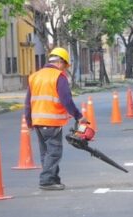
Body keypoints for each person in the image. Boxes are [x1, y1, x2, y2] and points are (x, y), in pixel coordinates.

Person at [25, 47, 87, 191]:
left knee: (46, 152)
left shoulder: (35, 76)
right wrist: (79, 116)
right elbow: (66, 100)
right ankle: (46, 180)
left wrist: (29, 122)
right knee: (54, 152)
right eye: (65, 66)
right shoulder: (58, 77)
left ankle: (53, 179)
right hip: (51, 121)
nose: (65, 69)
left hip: (38, 121)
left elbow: (28, 102)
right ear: (60, 62)